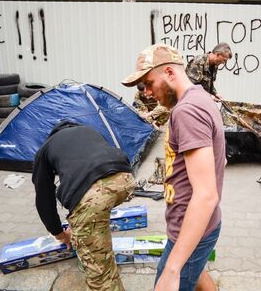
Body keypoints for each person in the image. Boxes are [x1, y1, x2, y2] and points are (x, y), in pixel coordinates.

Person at [122, 44, 225, 291]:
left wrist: (172, 268)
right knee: (197, 273)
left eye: (148, 83)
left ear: (169, 72)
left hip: (189, 230)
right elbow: (220, 159)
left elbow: (206, 195)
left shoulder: (187, 111)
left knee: (171, 278)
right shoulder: (200, 97)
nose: (146, 92)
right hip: (199, 225)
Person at [32, 120, 135, 291]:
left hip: (93, 193)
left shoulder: (46, 148)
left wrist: (60, 234)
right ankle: (97, 233)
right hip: (125, 179)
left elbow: (44, 198)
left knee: (99, 273)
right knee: (95, 220)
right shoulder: (89, 130)